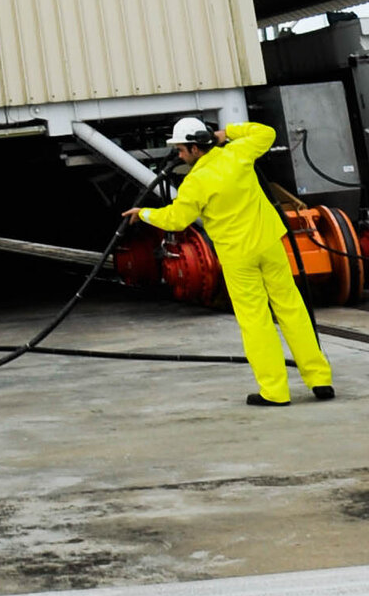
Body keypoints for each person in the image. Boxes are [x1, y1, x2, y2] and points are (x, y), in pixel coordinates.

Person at [135, 117, 336, 408]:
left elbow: (176, 220)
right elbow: (265, 132)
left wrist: (143, 214)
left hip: (238, 256)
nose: (178, 155)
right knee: (292, 309)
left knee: (256, 321)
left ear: (194, 148)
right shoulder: (238, 154)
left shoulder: (195, 183)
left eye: (180, 149)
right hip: (269, 244)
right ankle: (319, 379)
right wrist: (227, 133)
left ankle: (275, 392)